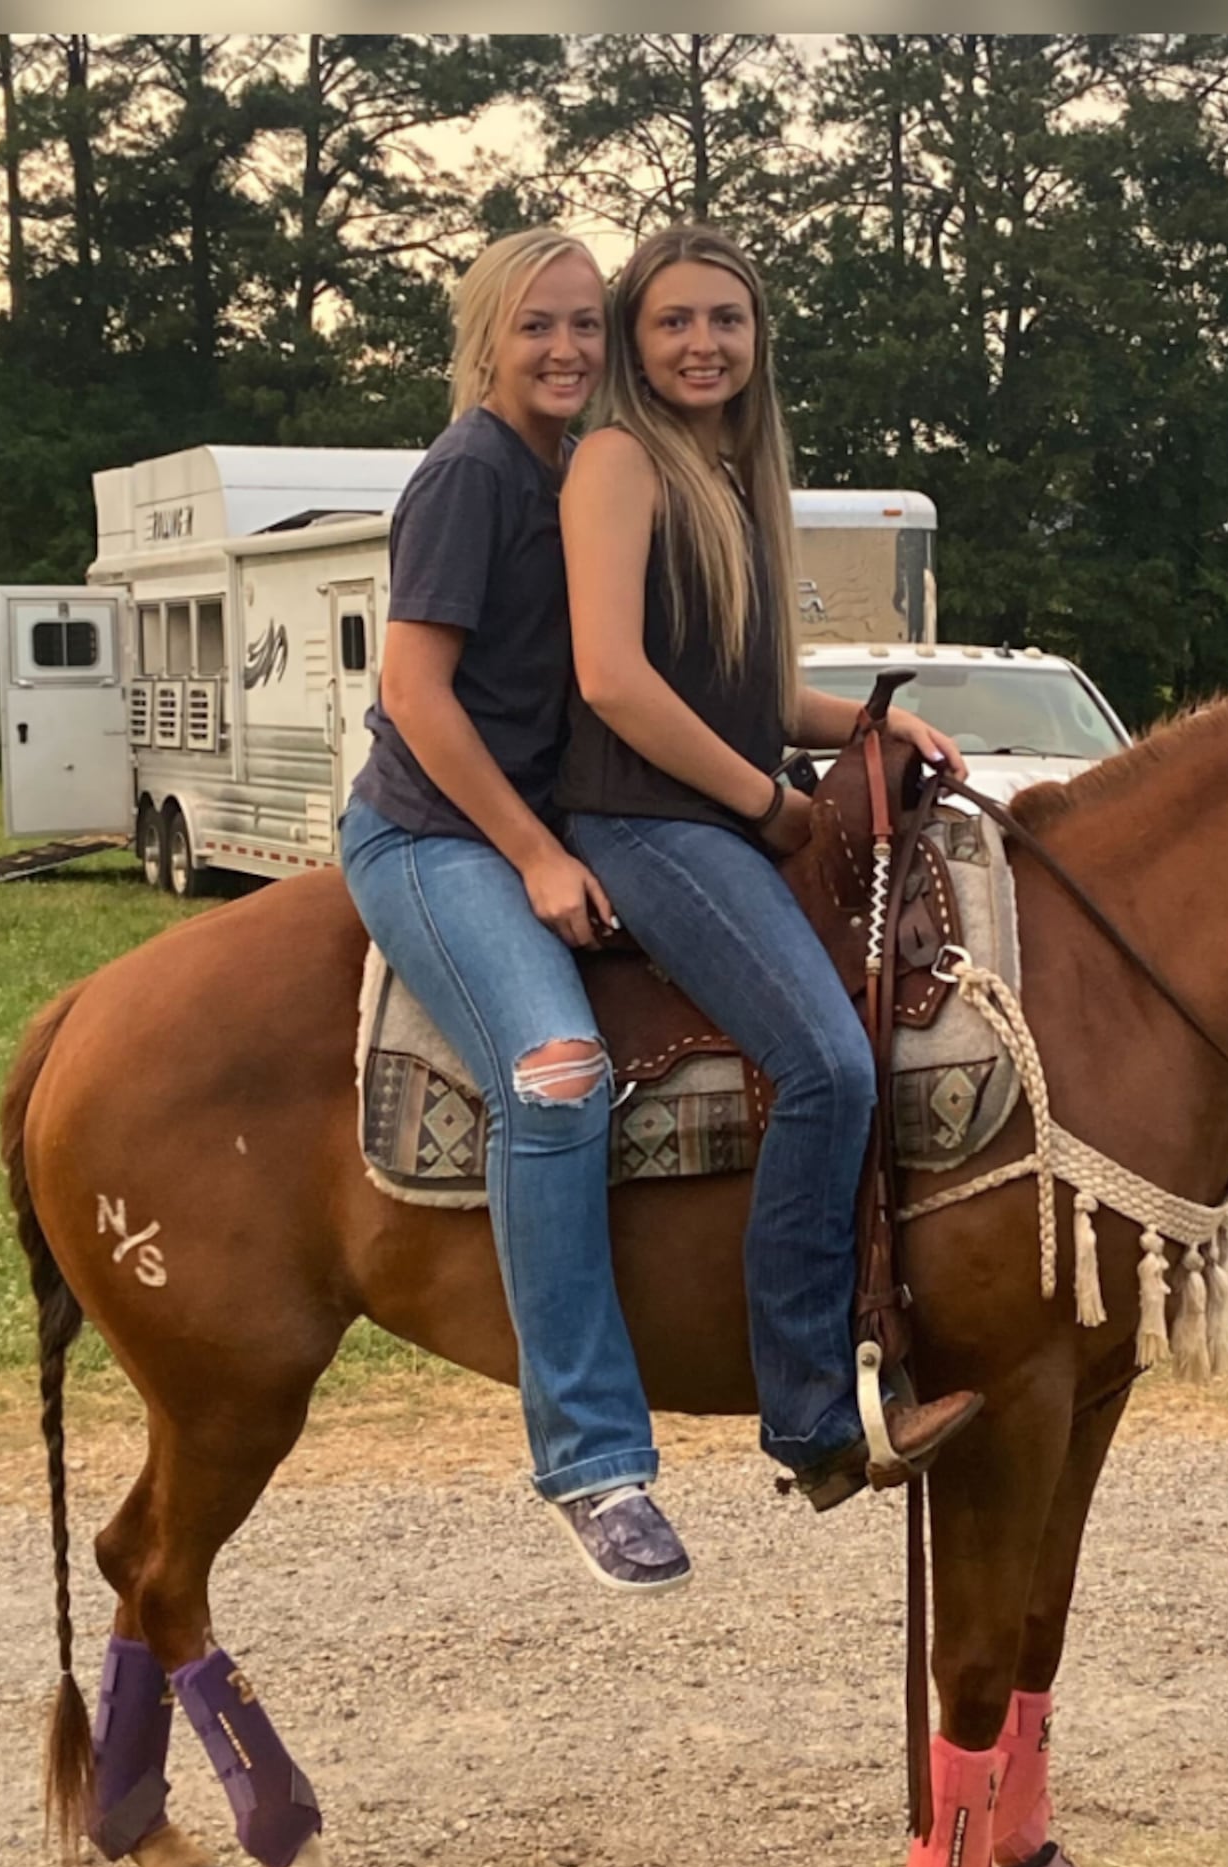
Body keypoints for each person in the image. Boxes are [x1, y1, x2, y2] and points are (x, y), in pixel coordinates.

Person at [558, 225, 986, 1510]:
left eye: (727, 322)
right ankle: (809, 1410)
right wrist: (767, 802)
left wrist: (862, 725)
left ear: (759, 340)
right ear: (637, 340)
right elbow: (614, 681)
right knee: (827, 1062)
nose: (704, 344)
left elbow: (739, 688)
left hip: (711, 805)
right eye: (676, 322)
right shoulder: (621, 461)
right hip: (643, 819)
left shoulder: (733, 471)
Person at [338, 228, 691, 1594]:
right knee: (554, 1078)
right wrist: (538, 857)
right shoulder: (469, 475)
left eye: (585, 328)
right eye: (537, 325)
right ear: (485, 337)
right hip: (431, 832)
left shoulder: (577, 472)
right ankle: (593, 1461)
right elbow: (420, 696)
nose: (566, 350)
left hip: (532, 817)